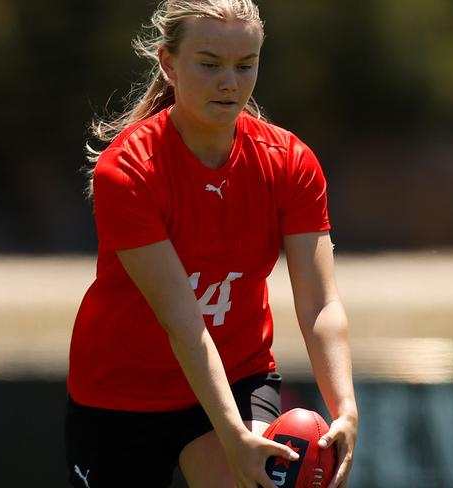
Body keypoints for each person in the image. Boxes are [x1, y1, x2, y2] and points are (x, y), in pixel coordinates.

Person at [65, 1, 358, 487]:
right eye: (210, 64)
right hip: (119, 395)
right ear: (168, 64)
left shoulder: (291, 163)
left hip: (238, 371)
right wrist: (231, 434)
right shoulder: (128, 170)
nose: (230, 82)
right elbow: (183, 322)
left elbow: (320, 303)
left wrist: (345, 407)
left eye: (246, 66)